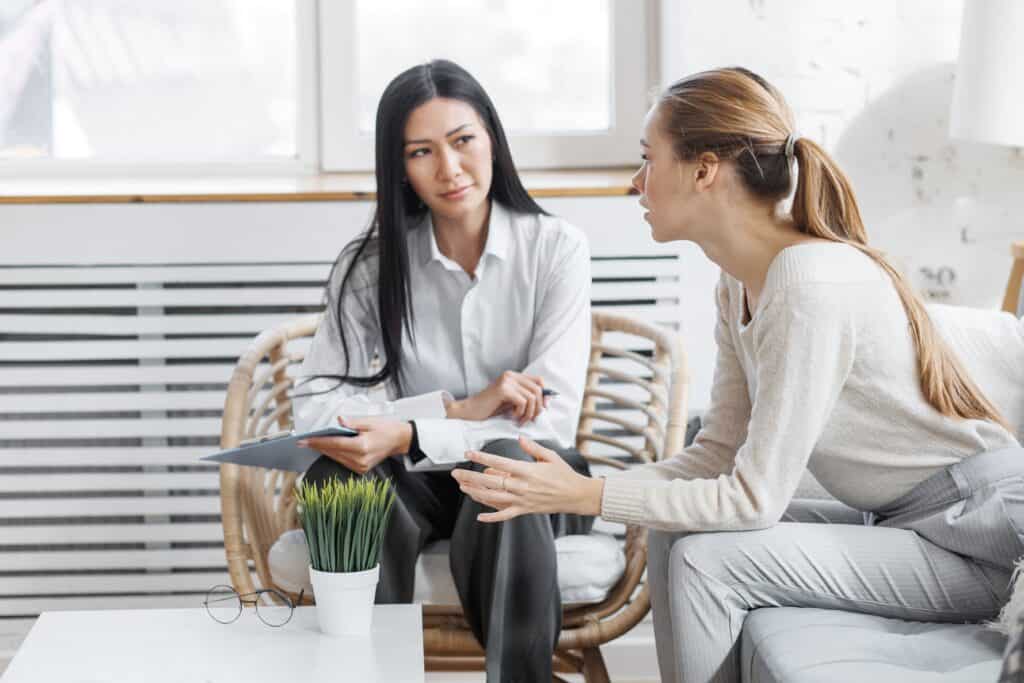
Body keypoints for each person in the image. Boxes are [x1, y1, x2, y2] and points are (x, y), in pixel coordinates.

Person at [452, 66, 1024, 683]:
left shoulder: (807, 284)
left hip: (976, 542)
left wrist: (589, 495)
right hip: (901, 523)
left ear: (703, 170)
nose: (637, 182)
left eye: (649, 159)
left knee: (708, 562)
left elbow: (753, 499)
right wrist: (579, 496)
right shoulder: (738, 283)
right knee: (679, 534)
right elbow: (718, 454)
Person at [292, 59, 593, 683]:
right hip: (420, 478)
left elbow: (550, 420)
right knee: (340, 475)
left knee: (507, 460)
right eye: (422, 152)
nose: (449, 169)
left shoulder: (556, 248)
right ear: (399, 167)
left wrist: (410, 430)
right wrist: (456, 411)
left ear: (492, 141)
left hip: (538, 478)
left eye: (463, 142)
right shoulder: (370, 265)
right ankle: (362, 673)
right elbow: (316, 407)